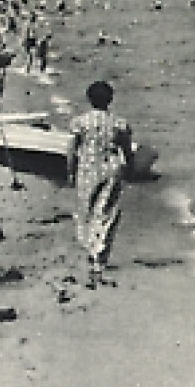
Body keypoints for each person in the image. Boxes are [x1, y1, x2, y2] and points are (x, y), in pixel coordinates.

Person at [66, 80, 135, 289]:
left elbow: (72, 150)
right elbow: (127, 151)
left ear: (89, 99)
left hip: (87, 170)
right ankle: (99, 255)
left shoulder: (81, 122)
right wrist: (130, 169)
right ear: (110, 100)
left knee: (85, 211)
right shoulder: (119, 123)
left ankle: (90, 249)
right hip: (111, 170)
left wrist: (70, 170)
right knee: (107, 213)